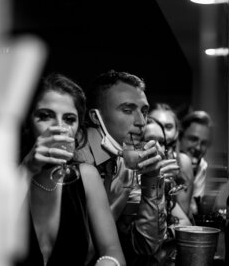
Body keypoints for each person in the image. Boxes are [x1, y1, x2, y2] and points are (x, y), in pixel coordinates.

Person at [17, 73, 126, 266]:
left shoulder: (86, 176)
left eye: (69, 119)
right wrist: (27, 169)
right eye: (45, 116)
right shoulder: (5, 176)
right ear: (27, 123)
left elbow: (112, 252)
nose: (59, 127)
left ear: (78, 129)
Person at [75, 70, 180, 266]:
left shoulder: (125, 167)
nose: (141, 122)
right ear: (96, 117)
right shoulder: (69, 161)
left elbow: (146, 246)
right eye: (127, 110)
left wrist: (152, 178)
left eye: (144, 111)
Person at [148, 103, 194, 222]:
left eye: (168, 126)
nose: (162, 130)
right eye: (157, 123)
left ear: (177, 132)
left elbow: (182, 214)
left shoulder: (182, 161)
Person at [178, 110, 213, 216]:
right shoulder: (166, 161)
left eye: (204, 143)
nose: (198, 147)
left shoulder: (202, 165)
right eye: (193, 139)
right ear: (180, 137)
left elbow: (194, 209)